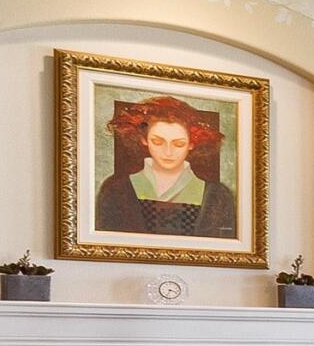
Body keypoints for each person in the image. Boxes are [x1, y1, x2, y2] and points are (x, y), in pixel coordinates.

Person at [95, 95, 238, 239]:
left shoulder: (217, 196)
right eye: (157, 142)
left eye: (178, 144)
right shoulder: (116, 190)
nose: (168, 152)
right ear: (144, 140)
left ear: (191, 144)